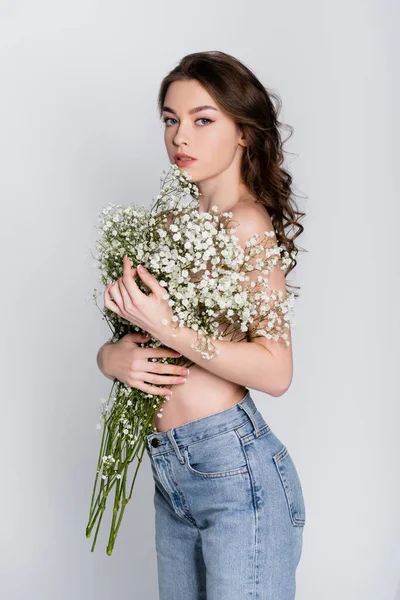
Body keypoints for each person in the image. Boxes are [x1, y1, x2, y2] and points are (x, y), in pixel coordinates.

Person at [97, 50, 306, 600]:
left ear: (242, 132)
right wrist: (109, 358)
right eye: (170, 119)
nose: (179, 136)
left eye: (202, 119)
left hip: (234, 472)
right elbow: (134, 339)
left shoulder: (247, 223)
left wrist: (170, 331)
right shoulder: (169, 224)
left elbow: (277, 370)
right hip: (172, 470)